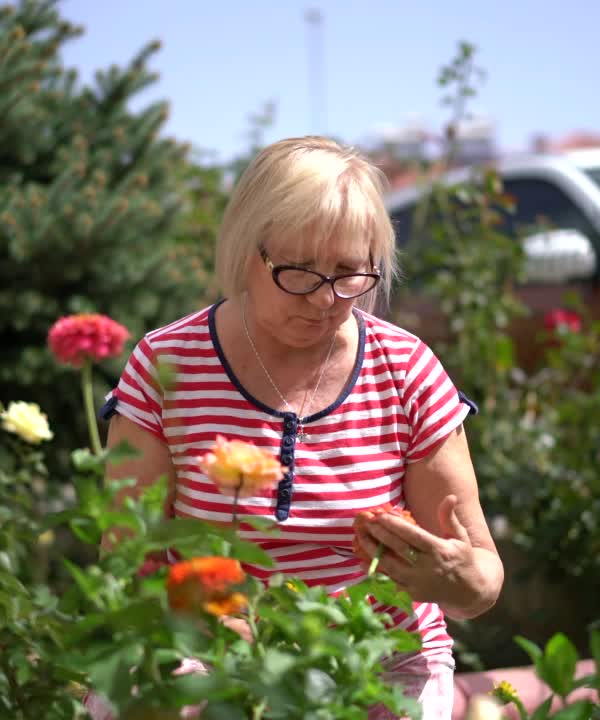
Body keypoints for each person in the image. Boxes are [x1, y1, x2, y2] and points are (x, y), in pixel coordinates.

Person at [98, 135, 504, 719]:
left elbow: (483, 579)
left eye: (349, 273)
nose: (325, 299)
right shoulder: (168, 366)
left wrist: (458, 579)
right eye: (299, 271)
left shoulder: (407, 370)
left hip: (377, 657)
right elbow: (126, 560)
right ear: (246, 250)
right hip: (205, 648)